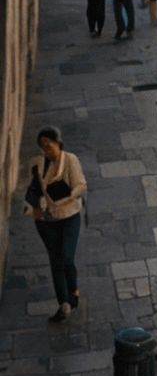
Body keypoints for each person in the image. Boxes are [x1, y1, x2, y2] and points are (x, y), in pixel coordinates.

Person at [24, 127, 87, 323]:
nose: (46, 151)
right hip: (46, 221)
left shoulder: (70, 160)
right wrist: (34, 207)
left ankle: (73, 289)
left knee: (66, 257)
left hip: (69, 216)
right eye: (43, 147)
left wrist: (67, 196)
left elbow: (81, 186)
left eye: (49, 146)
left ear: (57, 143)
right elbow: (31, 187)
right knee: (55, 260)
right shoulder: (37, 164)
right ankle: (64, 303)